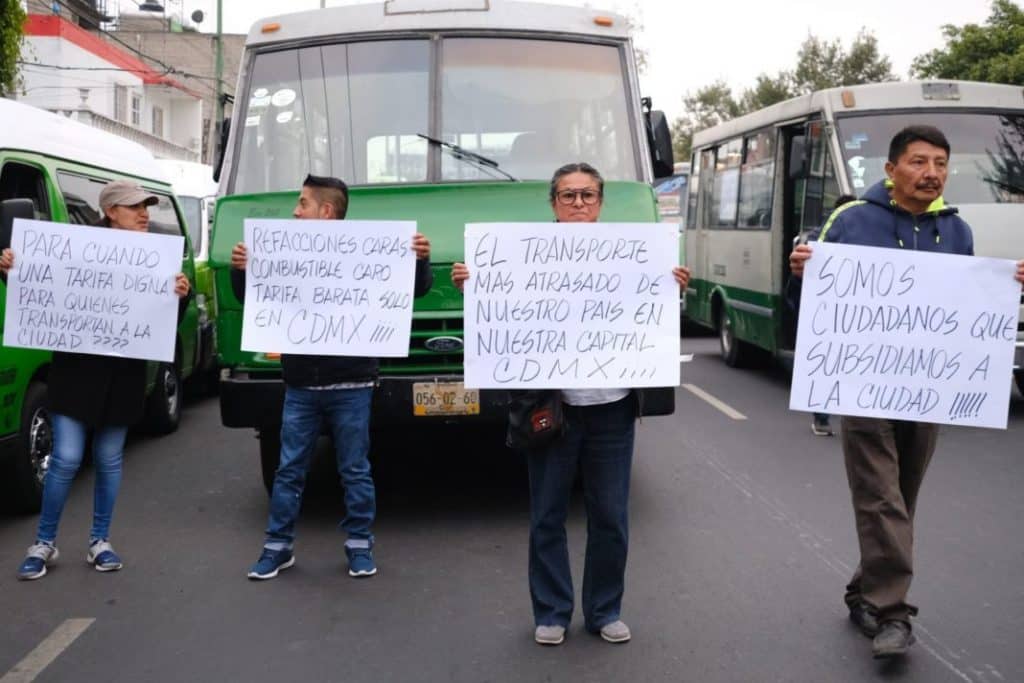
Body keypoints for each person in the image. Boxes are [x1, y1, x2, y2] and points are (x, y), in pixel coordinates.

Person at [790, 126, 1024, 658]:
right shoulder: (850, 220)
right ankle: (894, 615)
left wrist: (1006, 288)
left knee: (901, 501)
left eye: (940, 162)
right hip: (864, 387)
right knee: (880, 497)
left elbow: (964, 310)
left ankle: (863, 590)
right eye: (919, 161)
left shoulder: (957, 231)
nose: (932, 172)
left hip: (927, 391)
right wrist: (802, 275)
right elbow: (809, 307)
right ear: (892, 169)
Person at [451, 162, 690, 646]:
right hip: (551, 405)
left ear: (600, 202)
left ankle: (603, 610)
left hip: (612, 408)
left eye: (587, 195)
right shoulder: (521, 258)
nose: (578, 203)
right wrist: (474, 287)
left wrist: (673, 287)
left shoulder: (634, 254)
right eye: (568, 196)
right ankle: (553, 610)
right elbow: (502, 317)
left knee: (610, 517)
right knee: (546, 515)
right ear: (553, 204)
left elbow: (652, 316)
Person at [233, 174, 433, 581]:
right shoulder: (282, 252)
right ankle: (277, 546)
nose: (295, 210)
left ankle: (360, 545)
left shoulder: (368, 251)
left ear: (326, 211)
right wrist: (242, 271)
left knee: (354, 469)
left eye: (302, 203)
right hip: (301, 385)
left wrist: (420, 260)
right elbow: (254, 296)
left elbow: (411, 292)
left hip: (353, 386)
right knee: (289, 469)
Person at [9, 180, 192, 580]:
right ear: (110, 211)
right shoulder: (74, 248)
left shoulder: (157, 256)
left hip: (122, 378)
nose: (144, 213)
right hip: (75, 376)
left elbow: (164, 324)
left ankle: (100, 541)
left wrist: (180, 294)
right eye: (134, 207)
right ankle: (43, 543)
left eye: (146, 206)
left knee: (109, 461)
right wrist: (13, 270)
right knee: (67, 459)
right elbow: (36, 295)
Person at [810, 193, 858, 437]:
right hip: (835, 314)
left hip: (845, 315)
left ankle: (822, 418)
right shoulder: (823, 236)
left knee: (830, 366)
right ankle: (821, 416)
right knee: (831, 366)